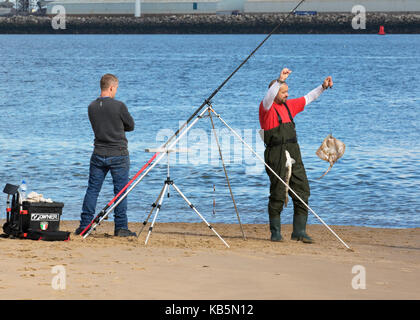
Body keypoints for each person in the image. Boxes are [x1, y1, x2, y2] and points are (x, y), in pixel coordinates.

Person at [259, 68, 333, 243]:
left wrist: (322, 87)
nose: (287, 94)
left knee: (302, 190)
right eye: (284, 92)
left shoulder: (289, 105)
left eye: (287, 91)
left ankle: (299, 231)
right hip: (275, 154)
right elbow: (269, 96)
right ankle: (275, 232)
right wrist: (279, 80)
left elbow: (308, 98)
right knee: (278, 192)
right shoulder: (266, 108)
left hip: (294, 151)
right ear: (275, 91)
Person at [75, 74, 137, 237]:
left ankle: (84, 225)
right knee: (121, 191)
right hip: (118, 153)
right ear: (111, 87)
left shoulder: (91, 106)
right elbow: (130, 126)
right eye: (116, 88)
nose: (116, 91)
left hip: (98, 152)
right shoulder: (119, 106)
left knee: (93, 189)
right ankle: (121, 227)